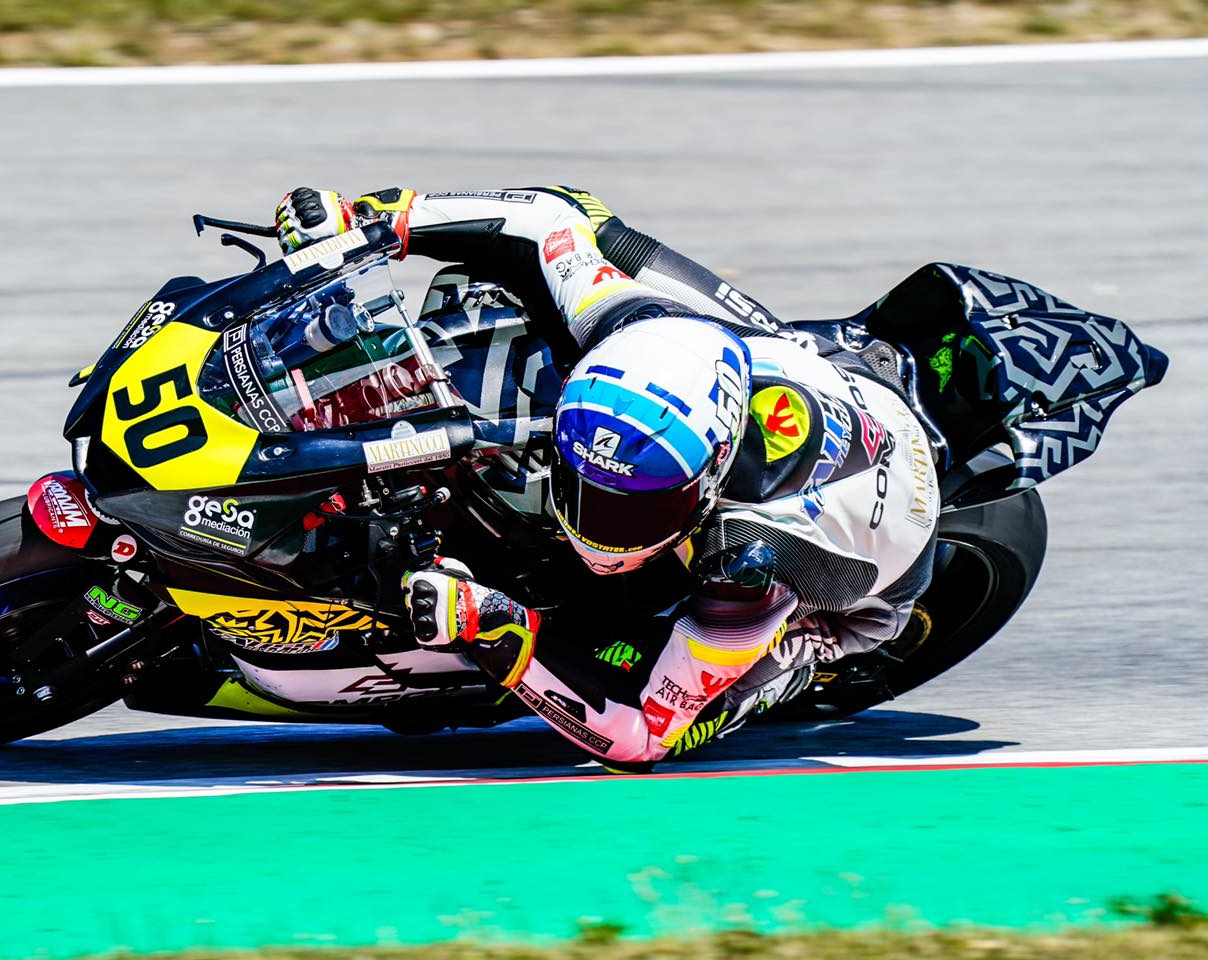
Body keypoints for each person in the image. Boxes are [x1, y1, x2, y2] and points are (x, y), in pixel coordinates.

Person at [275, 186, 940, 769]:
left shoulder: (746, 561)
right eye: (587, 488)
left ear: (707, 477)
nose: (599, 527)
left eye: (634, 510)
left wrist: (493, 625)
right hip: (800, 368)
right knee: (596, 231)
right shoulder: (641, 329)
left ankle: (797, 661)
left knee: (667, 681)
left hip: (858, 575)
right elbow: (547, 217)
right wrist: (375, 220)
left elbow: (639, 735)